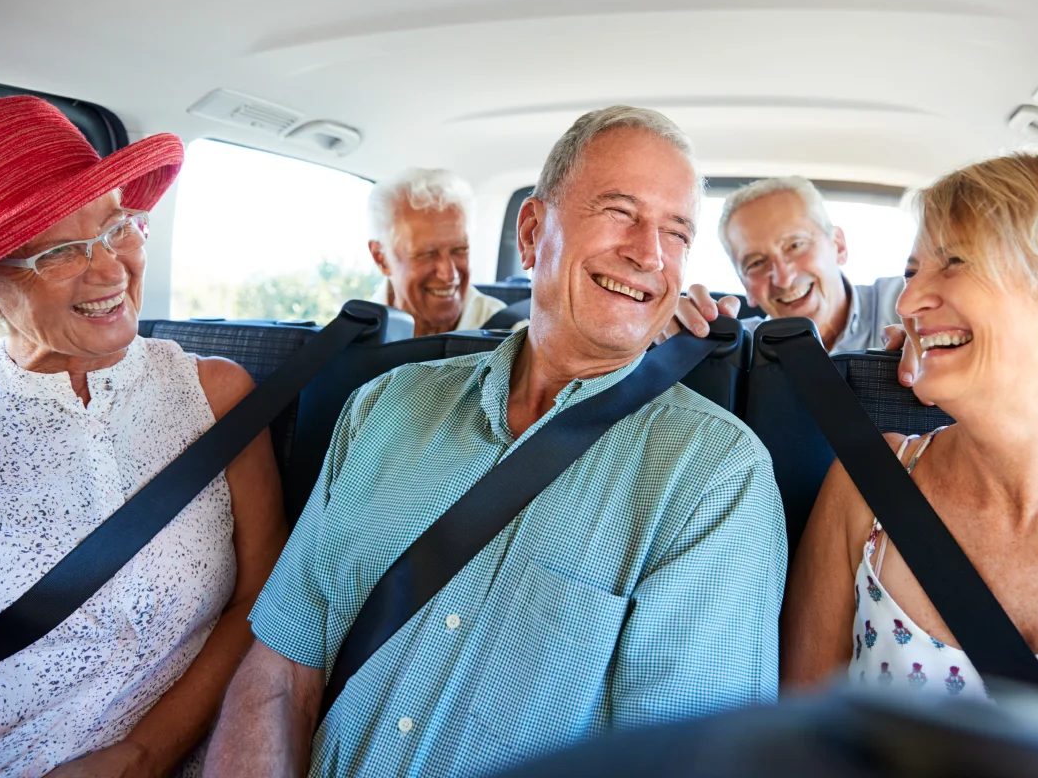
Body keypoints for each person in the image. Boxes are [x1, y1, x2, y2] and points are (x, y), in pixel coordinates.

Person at [205, 106, 786, 777]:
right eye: (620, 212)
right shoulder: (383, 407)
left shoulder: (715, 476)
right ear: (535, 231)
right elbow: (280, 671)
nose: (649, 253)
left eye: (677, 232)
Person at [781, 150, 1038, 722]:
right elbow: (796, 745)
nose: (909, 300)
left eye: (956, 262)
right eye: (914, 272)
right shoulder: (865, 487)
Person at [0, 96, 287, 776]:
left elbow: (266, 594)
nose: (111, 270)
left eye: (117, 228)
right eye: (61, 252)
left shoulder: (215, 394)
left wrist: (145, 755)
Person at [659, 177, 902, 354]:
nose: (783, 279)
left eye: (795, 245)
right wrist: (673, 347)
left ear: (838, 245)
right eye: (756, 263)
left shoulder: (909, 304)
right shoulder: (732, 351)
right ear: (746, 287)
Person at [369, 167, 517, 335]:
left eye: (459, 250)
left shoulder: (512, 336)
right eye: (427, 254)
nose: (449, 274)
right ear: (381, 258)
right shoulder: (352, 341)